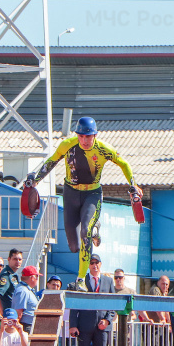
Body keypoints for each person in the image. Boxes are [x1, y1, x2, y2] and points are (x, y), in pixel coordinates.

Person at [26, 116, 142, 291]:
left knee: (85, 232)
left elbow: (124, 164)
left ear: (95, 135)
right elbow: (51, 161)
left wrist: (133, 183)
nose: (84, 140)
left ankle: (80, 279)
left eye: (88, 136)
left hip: (92, 193)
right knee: (74, 247)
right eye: (81, 136)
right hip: (70, 192)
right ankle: (95, 228)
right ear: (77, 135)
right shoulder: (67, 145)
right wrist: (36, 180)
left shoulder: (104, 149)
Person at [68, 254, 116, 346]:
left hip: (101, 327)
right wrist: (73, 325)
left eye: (97, 263)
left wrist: (107, 320)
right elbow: (74, 304)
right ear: (88, 265)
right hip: (84, 325)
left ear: (100, 264)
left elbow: (113, 304)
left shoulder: (108, 281)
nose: (94, 265)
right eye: (92, 263)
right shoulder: (81, 282)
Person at [12, 266, 40, 332]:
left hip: (28, 326)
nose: (37, 279)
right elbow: (18, 313)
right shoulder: (23, 291)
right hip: (26, 327)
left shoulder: (25, 290)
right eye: (37, 277)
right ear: (32, 278)